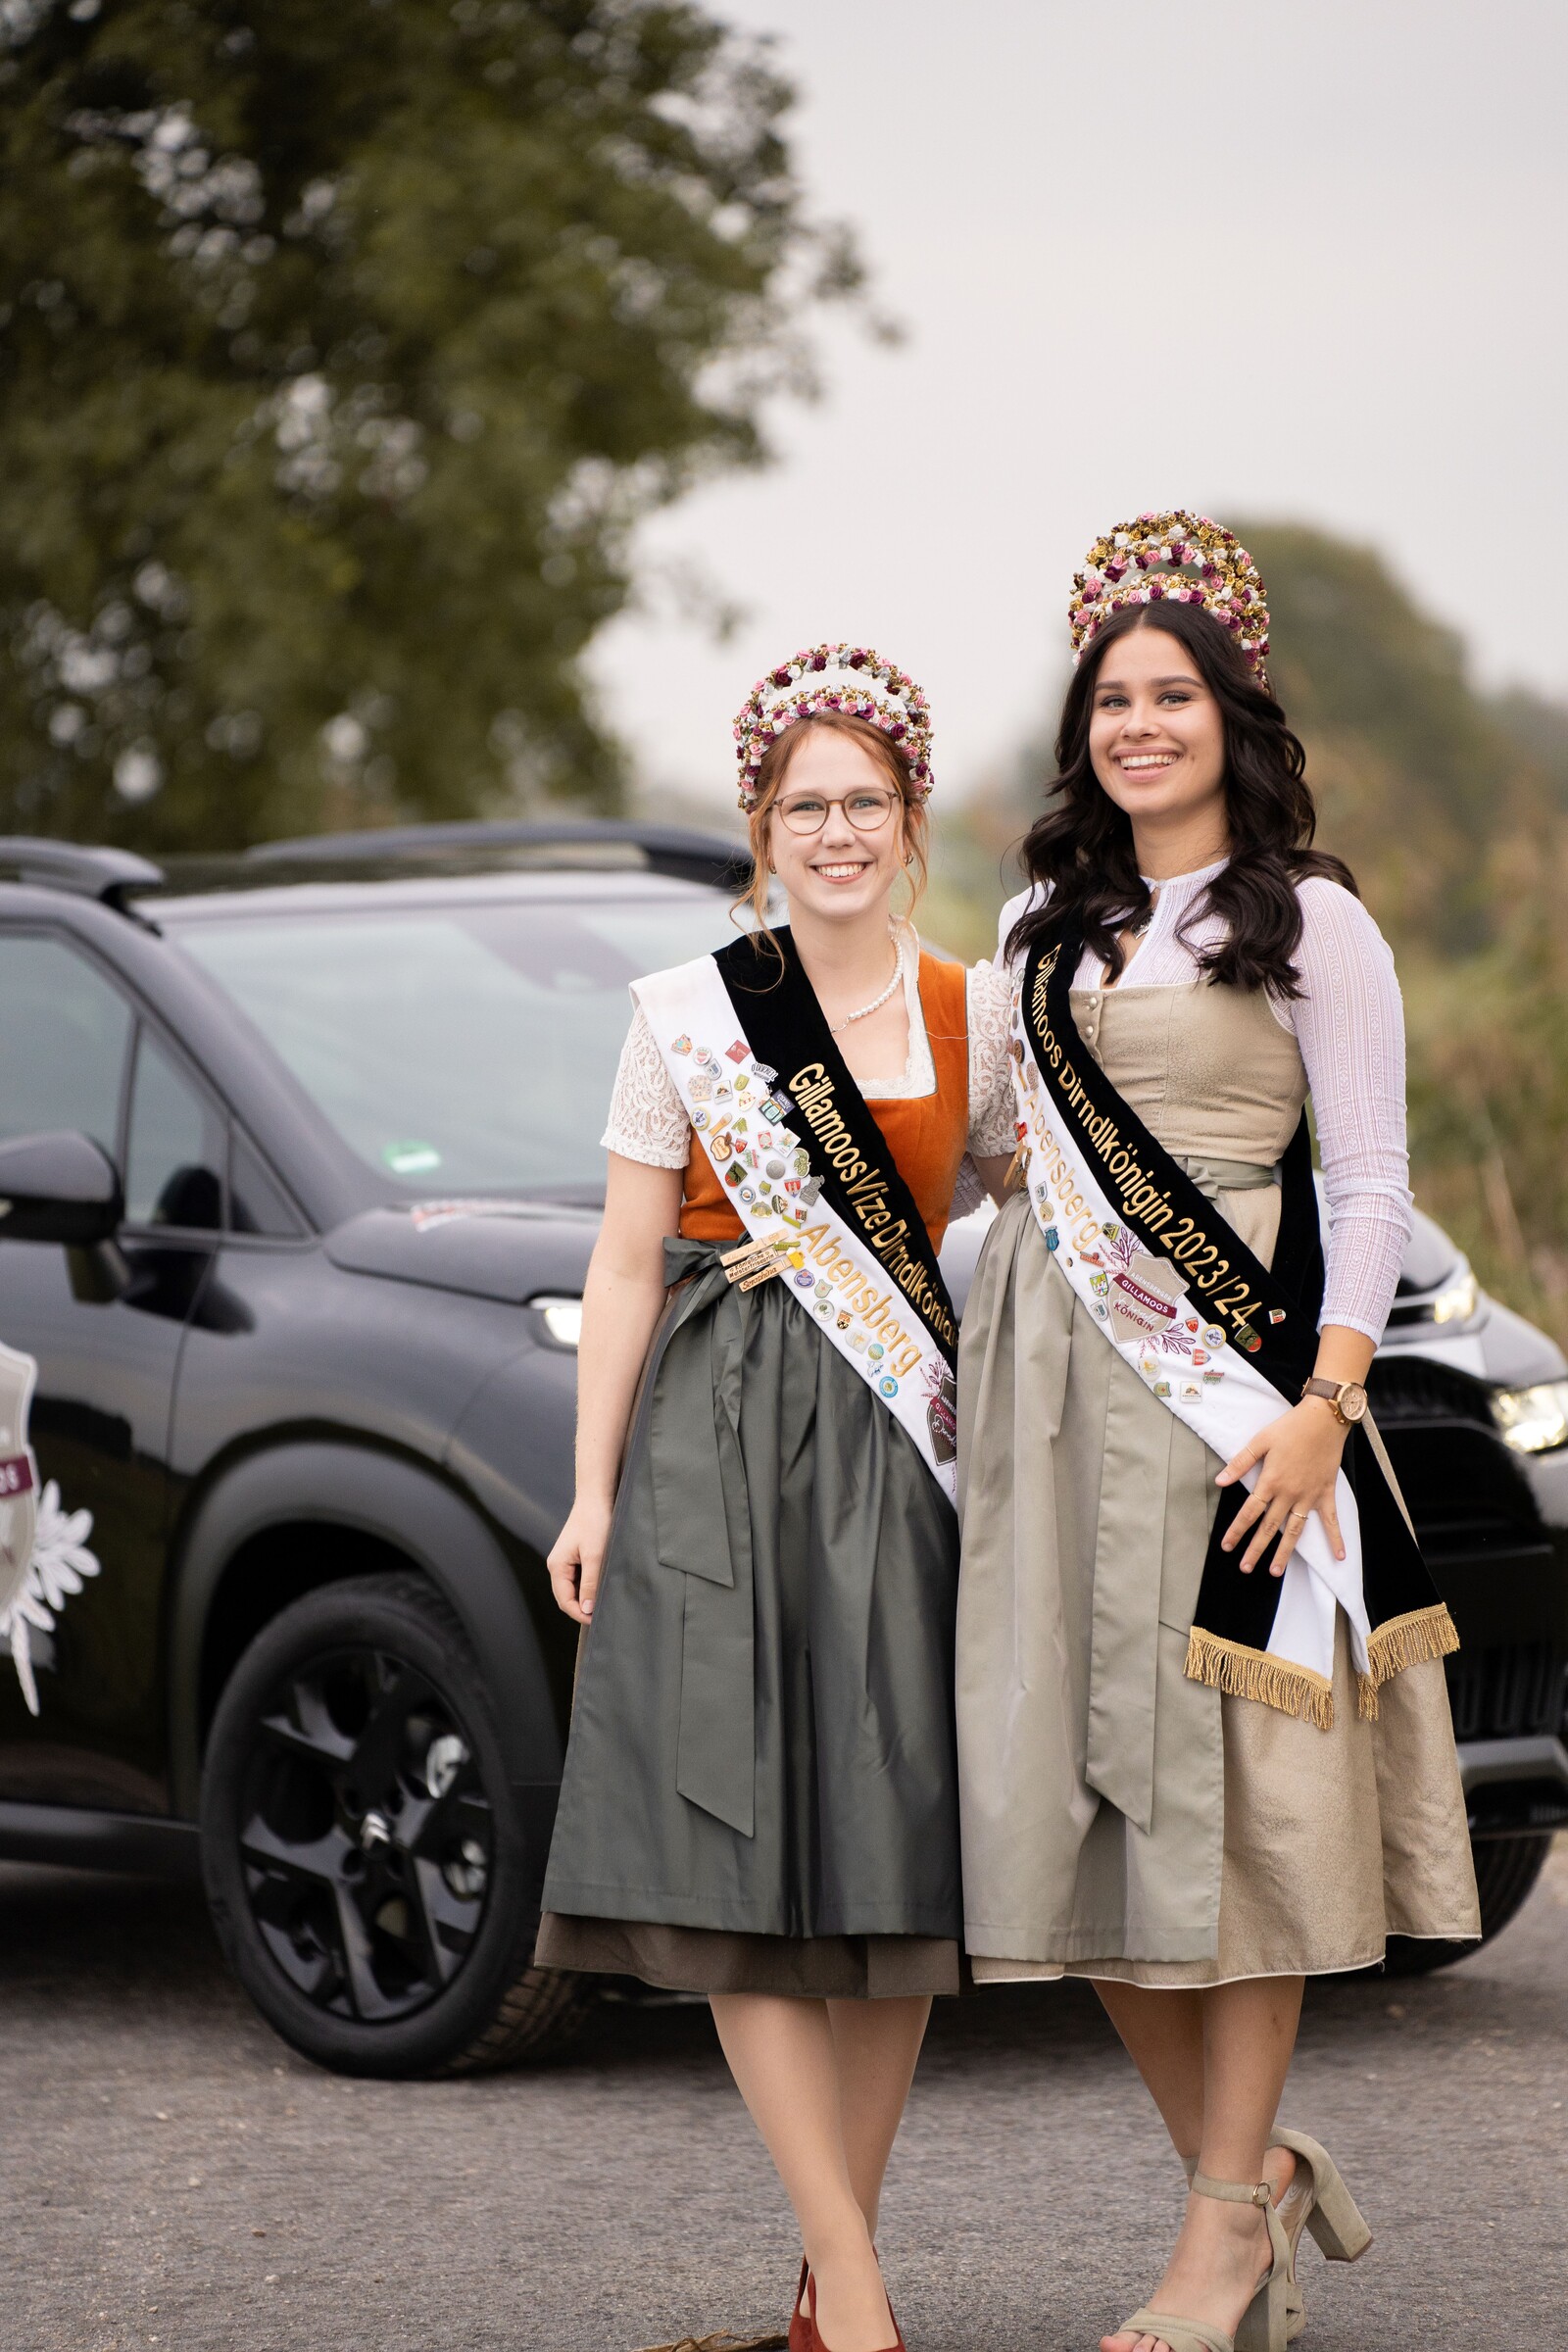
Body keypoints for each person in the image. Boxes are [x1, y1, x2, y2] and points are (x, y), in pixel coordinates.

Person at [955, 516, 1481, 2352]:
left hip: (1238, 1409)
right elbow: (1002, 1164)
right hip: (1049, 1404)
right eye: (1113, 699)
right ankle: (1247, 2186)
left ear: (1233, 713)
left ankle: (1214, 2240)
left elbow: (1369, 1181)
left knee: (1238, 1818)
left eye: (1172, 695)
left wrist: (1328, 1407)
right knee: (1074, 1818)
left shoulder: (1311, 921)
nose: (1139, 726)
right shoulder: (1035, 926)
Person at [537, 645, 1015, 2352]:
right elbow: (621, 1263)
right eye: (804, 806)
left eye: (863, 803)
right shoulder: (686, 1016)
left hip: (899, 1454)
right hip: (713, 1445)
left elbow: (1035, 1224)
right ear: (761, 827)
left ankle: (833, 2283)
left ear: (910, 818)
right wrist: (589, 1494)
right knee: (731, 1848)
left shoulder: (976, 1014)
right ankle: (858, 2290)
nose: (836, 833)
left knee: (892, 1864)